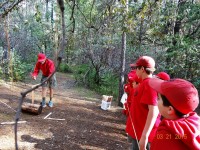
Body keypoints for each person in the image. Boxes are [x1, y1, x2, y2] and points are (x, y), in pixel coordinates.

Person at [149, 78, 200, 150]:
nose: (157, 101)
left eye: (159, 98)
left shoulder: (164, 137)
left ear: (170, 109)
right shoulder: (196, 124)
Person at [127, 56, 161, 150]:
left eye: (136, 68)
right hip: (139, 132)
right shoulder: (145, 83)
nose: (135, 70)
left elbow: (154, 110)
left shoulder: (149, 84)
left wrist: (145, 136)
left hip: (143, 134)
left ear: (142, 69)